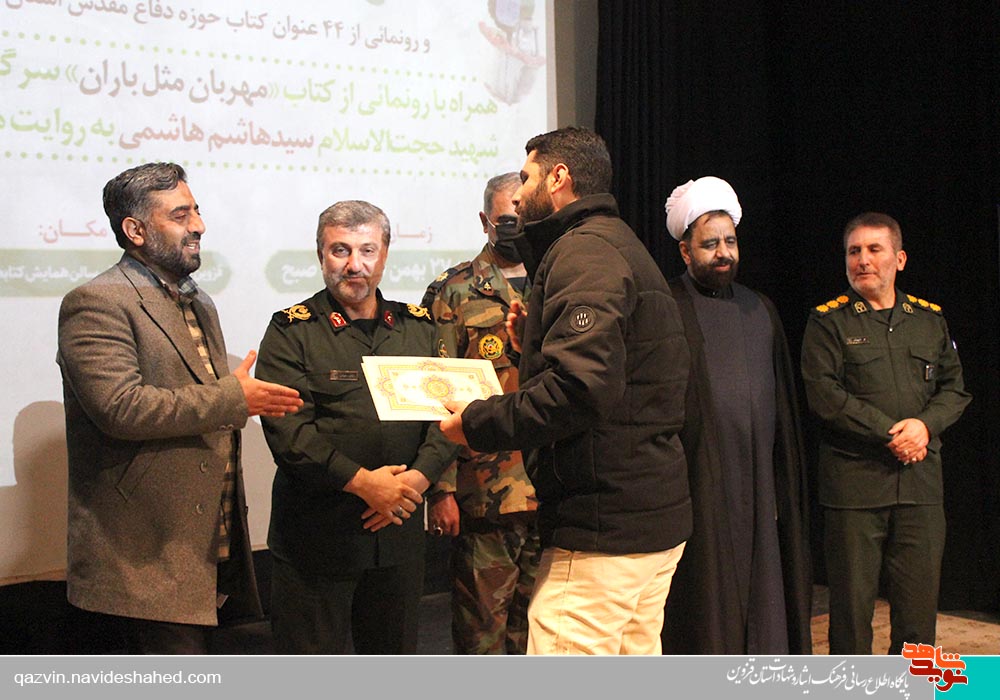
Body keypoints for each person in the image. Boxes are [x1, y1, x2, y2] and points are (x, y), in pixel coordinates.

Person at [439, 127, 692, 655]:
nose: (519, 194)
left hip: (604, 530)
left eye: (527, 177)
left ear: (559, 178)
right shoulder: (615, 242)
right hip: (643, 519)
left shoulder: (584, 252)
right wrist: (534, 344)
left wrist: (477, 422)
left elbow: (580, 389)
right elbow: (625, 368)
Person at [56, 162, 303, 654]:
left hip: (205, 548)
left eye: (197, 211)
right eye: (180, 215)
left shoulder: (199, 301)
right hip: (141, 560)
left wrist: (235, 399)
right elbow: (120, 407)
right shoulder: (95, 302)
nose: (199, 226)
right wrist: (235, 398)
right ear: (135, 231)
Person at [255, 200, 458, 655]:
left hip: (398, 534)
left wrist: (415, 481)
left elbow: (447, 419)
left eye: (367, 250)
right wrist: (366, 484)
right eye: (340, 250)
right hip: (317, 540)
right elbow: (288, 434)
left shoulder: (419, 327)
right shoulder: (291, 331)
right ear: (320, 255)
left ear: (384, 254)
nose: (354, 264)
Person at [801, 212, 971, 654]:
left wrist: (924, 427)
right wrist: (892, 433)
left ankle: (912, 684)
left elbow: (954, 390)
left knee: (918, 614)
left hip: (919, 486)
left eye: (874, 249)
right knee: (851, 615)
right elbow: (825, 395)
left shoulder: (929, 320)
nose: (863, 260)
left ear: (899, 259)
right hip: (854, 488)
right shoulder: (828, 322)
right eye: (854, 251)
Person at [659, 176, 813, 654]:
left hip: (760, 485)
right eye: (710, 244)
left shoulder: (760, 308)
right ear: (685, 252)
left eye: (730, 241)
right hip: (699, 486)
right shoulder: (667, 305)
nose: (723, 253)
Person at [420, 173, 541, 654]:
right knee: (481, 642)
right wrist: (441, 489)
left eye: (523, 218)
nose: (516, 229)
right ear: (485, 220)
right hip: (484, 497)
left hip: (551, 489)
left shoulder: (556, 281)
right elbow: (437, 394)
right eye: (506, 219)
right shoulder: (454, 291)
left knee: (541, 639)